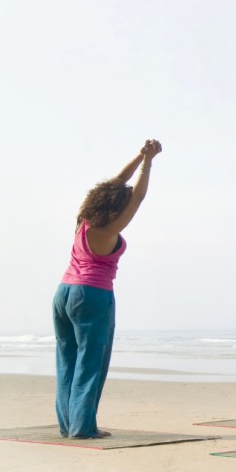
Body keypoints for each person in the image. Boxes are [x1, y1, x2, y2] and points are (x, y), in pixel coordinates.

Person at [52, 139, 163, 438]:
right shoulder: (108, 229)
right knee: (91, 362)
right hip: (92, 295)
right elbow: (137, 197)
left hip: (63, 293)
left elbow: (116, 183)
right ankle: (83, 427)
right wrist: (149, 163)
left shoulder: (83, 220)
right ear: (116, 206)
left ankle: (68, 424)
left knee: (67, 359)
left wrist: (140, 156)